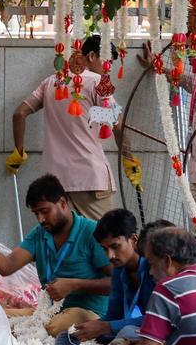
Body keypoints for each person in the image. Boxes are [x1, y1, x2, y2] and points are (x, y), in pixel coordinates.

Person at [0, 174, 110, 336]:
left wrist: (75, 285)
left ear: (62, 203)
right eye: (36, 213)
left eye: (44, 211)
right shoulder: (40, 234)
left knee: (53, 328)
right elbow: (7, 266)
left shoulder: (92, 232)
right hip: (48, 312)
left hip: (90, 313)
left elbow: (117, 284)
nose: (40, 219)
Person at [7, 33, 118, 220]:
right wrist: (129, 157)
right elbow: (117, 123)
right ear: (91, 56)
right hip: (90, 179)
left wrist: (19, 151)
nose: (108, 70)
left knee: (67, 242)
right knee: (107, 238)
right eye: (107, 63)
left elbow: (19, 114)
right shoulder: (98, 82)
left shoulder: (51, 82)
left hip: (56, 184)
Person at [139, 23, 196, 246]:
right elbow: (183, 79)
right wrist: (157, 66)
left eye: (194, 47)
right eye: (187, 48)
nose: (189, 53)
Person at [57, 209, 159, 345]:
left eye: (115, 246)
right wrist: (89, 329)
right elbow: (114, 315)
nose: (110, 255)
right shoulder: (119, 271)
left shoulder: (155, 268)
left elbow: (159, 319)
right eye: (104, 249)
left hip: (165, 335)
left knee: (127, 333)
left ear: (133, 239)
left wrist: (106, 327)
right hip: (146, 333)